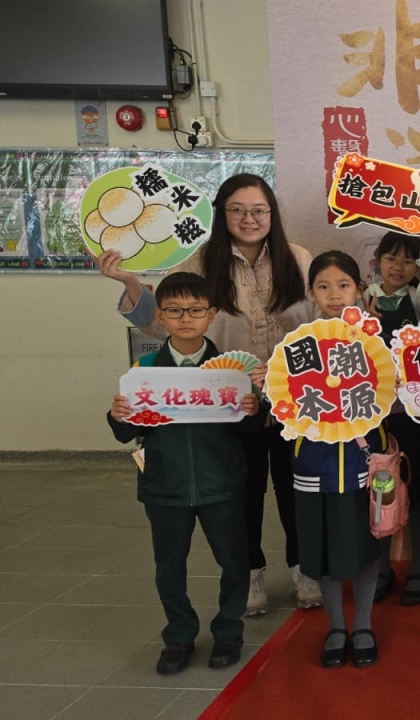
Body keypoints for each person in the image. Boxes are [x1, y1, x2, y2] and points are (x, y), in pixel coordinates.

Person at [100, 174, 322, 614]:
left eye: (259, 210)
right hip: (228, 405)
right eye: (237, 210)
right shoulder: (200, 263)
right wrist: (129, 282)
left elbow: (321, 319)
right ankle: (252, 571)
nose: (249, 218)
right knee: (242, 493)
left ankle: (305, 568)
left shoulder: (298, 258)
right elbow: (162, 321)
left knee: (298, 491)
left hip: (294, 402)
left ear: (272, 214)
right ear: (222, 214)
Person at [106, 272, 261, 676]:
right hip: (165, 484)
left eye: (195, 310)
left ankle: (228, 630)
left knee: (234, 561)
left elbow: (250, 434)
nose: (186, 318)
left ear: (212, 314)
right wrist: (117, 415)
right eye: (174, 311)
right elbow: (127, 432)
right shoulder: (145, 370)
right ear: (160, 315)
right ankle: (178, 635)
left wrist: (253, 410)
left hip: (221, 484)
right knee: (169, 566)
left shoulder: (231, 371)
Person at [292, 250, 388, 669]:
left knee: (368, 543)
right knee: (324, 549)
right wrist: (266, 386)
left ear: (359, 289)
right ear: (311, 292)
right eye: (323, 286)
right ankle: (335, 626)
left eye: (343, 285)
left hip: (366, 462)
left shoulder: (377, 341)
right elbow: (285, 402)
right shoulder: (297, 345)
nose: (334, 294)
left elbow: (396, 397)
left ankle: (363, 624)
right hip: (315, 463)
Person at [361, 231, 420, 605]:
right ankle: (381, 568)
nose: (398, 267)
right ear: (377, 260)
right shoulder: (361, 299)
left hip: (415, 412)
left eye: (407, 260)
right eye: (390, 258)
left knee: (419, 488)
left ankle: (418, 569)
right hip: (373, 414)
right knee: (380, 488)